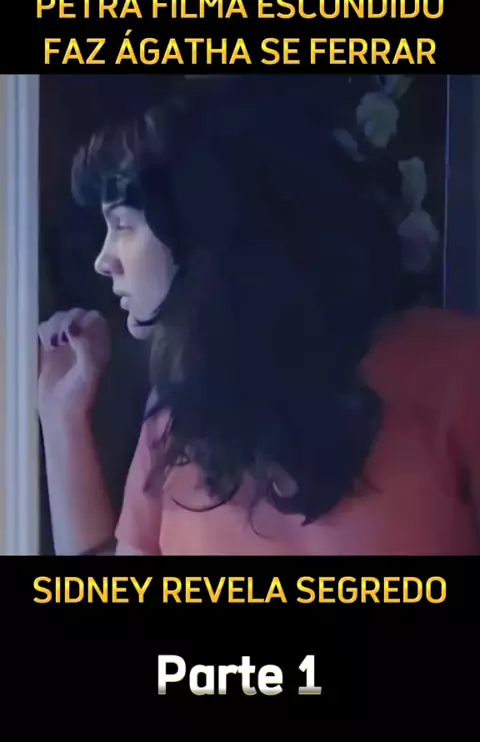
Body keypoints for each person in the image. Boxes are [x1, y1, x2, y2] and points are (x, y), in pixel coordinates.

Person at [38, 75, 480, 556]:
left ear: (206, 223)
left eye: (123, 225)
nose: (104, 260)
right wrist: (63, 419)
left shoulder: (457, 369)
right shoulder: (176, 416)